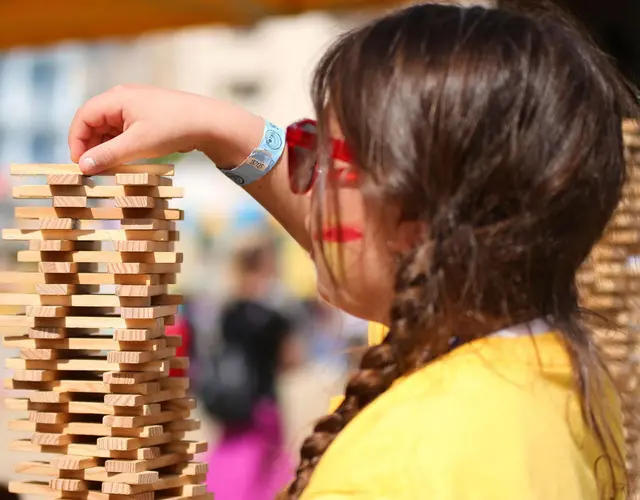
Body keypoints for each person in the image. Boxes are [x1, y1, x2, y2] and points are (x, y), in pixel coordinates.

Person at [67, 3, 639, 499]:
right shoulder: (556, 376)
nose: (305, 184)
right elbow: (370, 245)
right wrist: (220, 128)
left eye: (320, 156)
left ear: (415, 220)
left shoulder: (393, 468)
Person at [198, 237, 301, 500]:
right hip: (263, 403)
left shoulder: (227, 310)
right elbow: (292, 359)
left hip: (233, 402)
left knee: (230, 467)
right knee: (265, 475)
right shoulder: (273, 314)